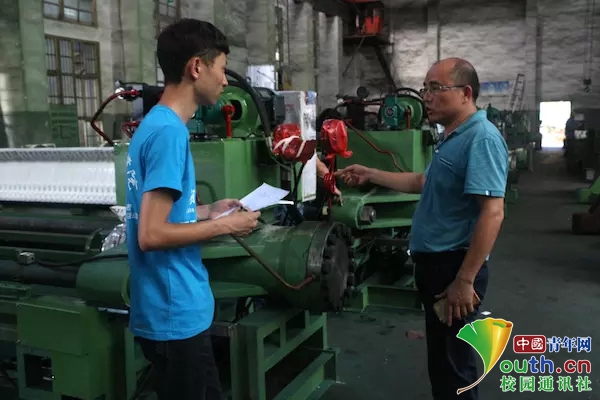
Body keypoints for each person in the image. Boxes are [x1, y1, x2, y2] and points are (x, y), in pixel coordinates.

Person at [336, 58, 508, 400]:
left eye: (435, 89)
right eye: (425, 89)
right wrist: (370, 174)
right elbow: (421, 182)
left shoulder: (481, 139)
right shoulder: (453, 137)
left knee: (454, 369)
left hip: (454, 269)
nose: (426, 97)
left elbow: (493, 213)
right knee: (444, 365)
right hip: (439, 267)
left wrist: (464, 280)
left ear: (466, 93)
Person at [125, 19, 261, 400]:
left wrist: (208, 211)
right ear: (196, 67)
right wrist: (227, 226)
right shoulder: (169, 133)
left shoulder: (154, 124)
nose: (225, 80)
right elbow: (151, 234)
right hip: (175, 312)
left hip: (169, 309)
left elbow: (160, 214)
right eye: (221, 68)